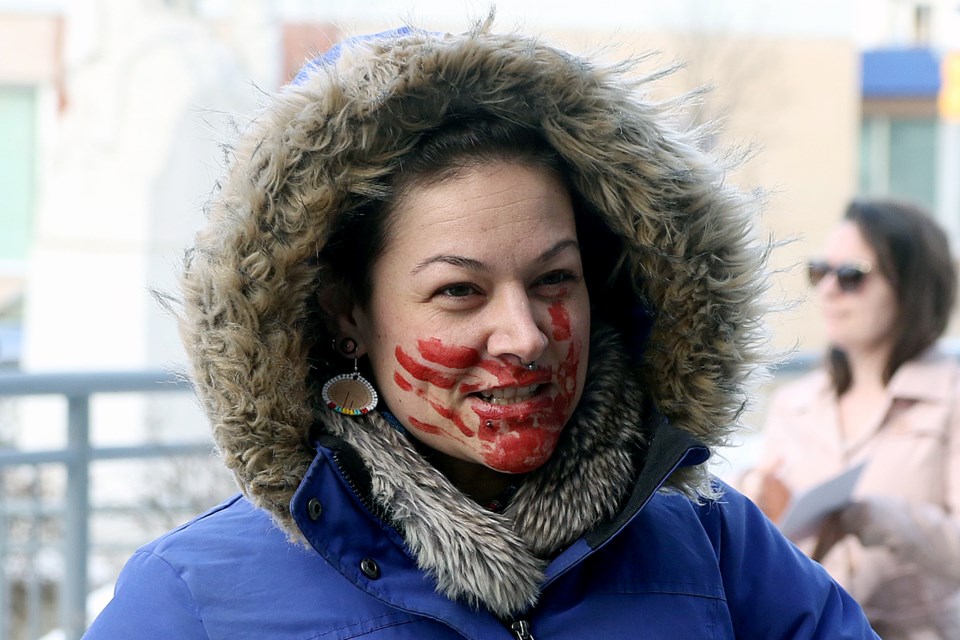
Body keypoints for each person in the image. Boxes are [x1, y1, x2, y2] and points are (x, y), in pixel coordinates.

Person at [83, 20, 878, 639]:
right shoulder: (192, 601)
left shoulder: (713, 545)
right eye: (460, 290)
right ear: (346, 312)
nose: (524, 335)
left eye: (553, 280)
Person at [746, 198, 960, 639]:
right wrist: (756, 500)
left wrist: (878, 518)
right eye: (820, 272)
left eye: (851, 276)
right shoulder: (794, 403)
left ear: (911, 285)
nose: (827, 290)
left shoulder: (951, 394)